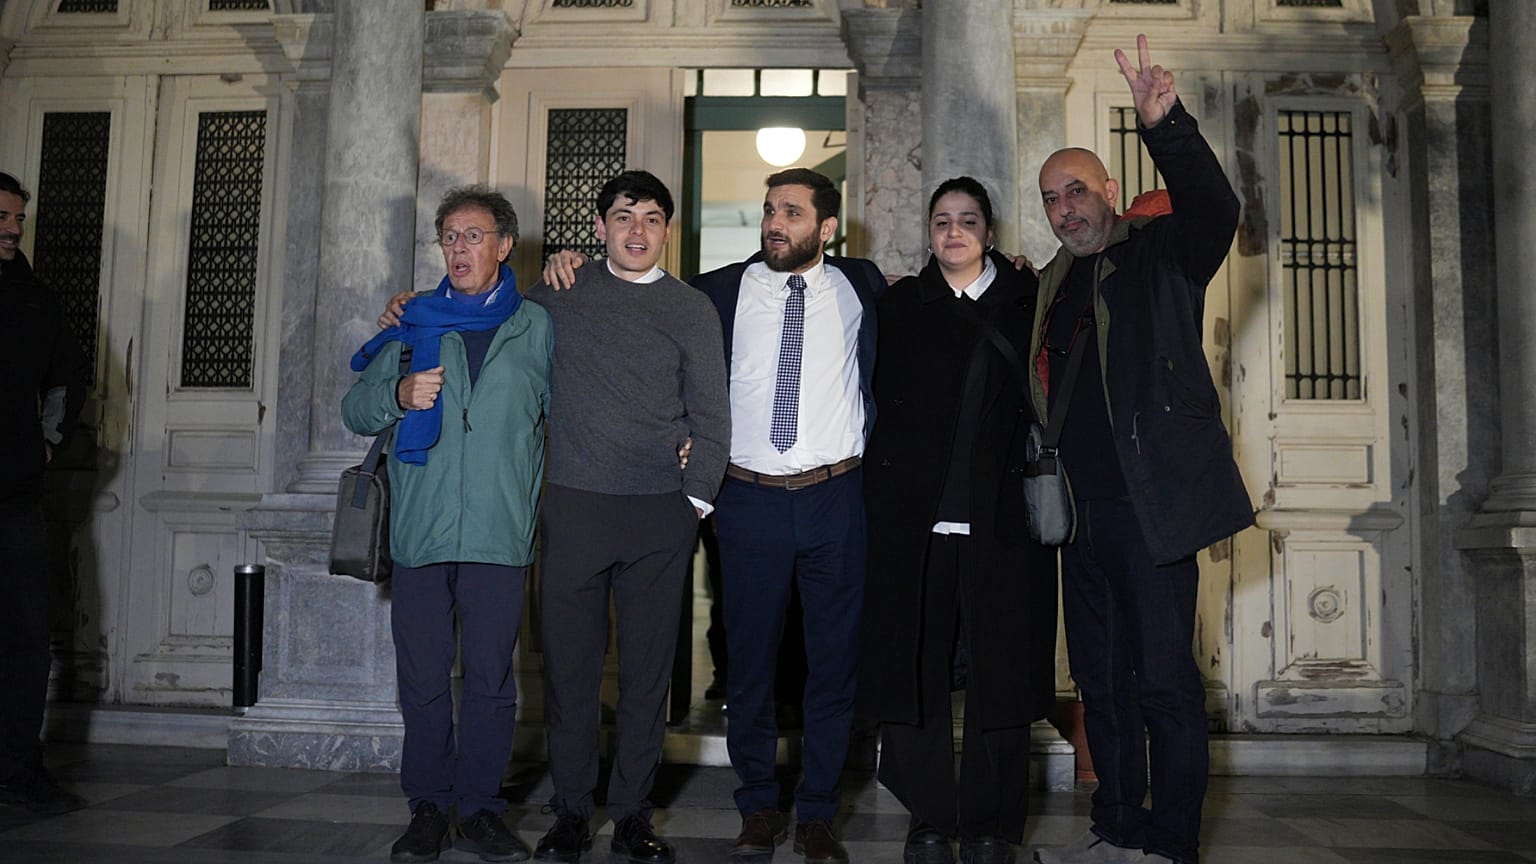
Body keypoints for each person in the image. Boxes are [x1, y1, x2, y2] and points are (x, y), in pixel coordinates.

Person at [384, 170, 731, 864]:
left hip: (660, 514)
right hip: (571, 508)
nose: (638, 231)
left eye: (653, 219)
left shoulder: (691, 308)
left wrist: (693, 501)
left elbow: (713, 414)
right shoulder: (555, 296)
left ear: (668, 230)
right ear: (598, 228)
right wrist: (409, 311)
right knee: (571, 675)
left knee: (646, 674)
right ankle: (572, 812)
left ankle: (633, 815)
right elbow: (476, 307)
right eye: (624, 217)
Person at [543, 168, 883, 864]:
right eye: (767, 210)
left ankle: (817, 810)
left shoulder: (865, 288)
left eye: (791, 212)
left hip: (835, 497)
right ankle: (757, 806)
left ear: (827, 227)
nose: (773, 223)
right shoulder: (716, 292)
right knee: (748, 668)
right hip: (748, 499)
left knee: (833, 666)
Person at [1028, 36, 1251, 864]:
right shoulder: (1051, 284)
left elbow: (1215, 212)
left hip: (1153, 516)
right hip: (1079, 525)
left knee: (1164, 685)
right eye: (1053, 198)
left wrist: (1168, 126)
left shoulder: (1161, 255)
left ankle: (1172, 840)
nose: (1068, 207)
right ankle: (1116, 824)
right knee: (1101, 687)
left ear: (1111, 192)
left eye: (1079, 190)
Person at [345, 186, 552, 864]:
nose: (460, 249)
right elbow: (355, 408)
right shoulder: (412, 323)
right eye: (450, 238)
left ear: (503, 247)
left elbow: (561, 418)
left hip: (499, 531)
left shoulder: (538, 326)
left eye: (473, 236)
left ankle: (483, 809)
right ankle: (428, 807)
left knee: (492, 682)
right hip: (422, 532)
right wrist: (396, 394)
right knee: (425, 679)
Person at [858, 177, 1057, 864]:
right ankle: (929, 818)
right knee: (917, 670)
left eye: (968, 220)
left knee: (1000, 674)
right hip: (915, 525)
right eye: (942, 220)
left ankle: (991, 825)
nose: (953, 231)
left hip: (1001, 525)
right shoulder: (902, 304)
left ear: (991, 233)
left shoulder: (1025, 300)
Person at [0, 171, 88, 818]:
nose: (12, 228)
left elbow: (67, 379)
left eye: (18, 219)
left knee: (29, 639)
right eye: (3, 217)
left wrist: (45, 444)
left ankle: (19, 771)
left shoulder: (36, 300)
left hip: (14, 497)